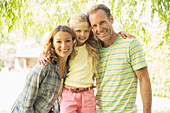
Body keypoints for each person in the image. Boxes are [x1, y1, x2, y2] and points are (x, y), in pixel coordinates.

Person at [39, 13, 136, 113]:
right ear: (71, 31)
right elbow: (54, 49)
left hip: (88, 94)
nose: (82, 34)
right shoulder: (69, 47)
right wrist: (42, 54)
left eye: (86, 31)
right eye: (78, 31)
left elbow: (107, 37)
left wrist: (120, 33)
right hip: (69, 94)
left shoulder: (93, 45)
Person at [87, 4, 152, 113]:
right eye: (94, 25)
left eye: (102, 22)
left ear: (111, 19)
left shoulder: (130, 44)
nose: (99, 29)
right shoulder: (94, 50)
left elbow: (144, 80)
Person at [11, 25, 77, 113]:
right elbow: (26, 103)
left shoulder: (71, 66)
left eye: (68, 40)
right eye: (58, 41)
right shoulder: (45, 65)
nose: (63, 46)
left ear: (73, 42)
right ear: (52, 43)